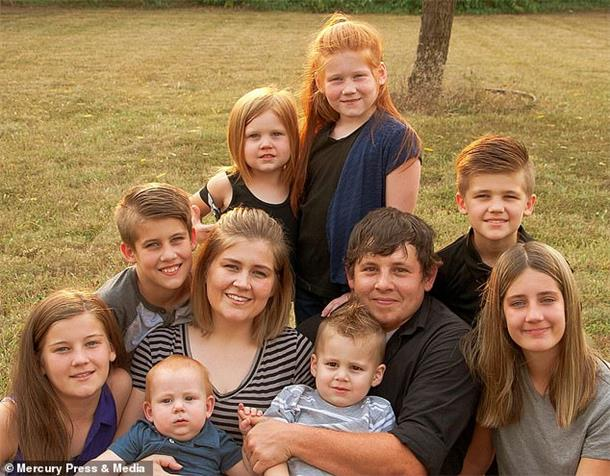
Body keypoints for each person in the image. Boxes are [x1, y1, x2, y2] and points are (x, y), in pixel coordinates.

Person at [244, 208, 478, 476]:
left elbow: (410, 463)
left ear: (428, 277)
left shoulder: (451, 345)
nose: (383, 284)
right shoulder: (321, 332)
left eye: (400, 271)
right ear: (350, 276)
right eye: (370, 269)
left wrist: (288, 438)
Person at [121, 207, 314, 443]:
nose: (242, 283)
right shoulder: (158, 348)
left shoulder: (295, 354)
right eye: (231, 267)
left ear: (275, 285)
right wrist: (148, 463)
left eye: (259, 273)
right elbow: (119, 452)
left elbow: (311, 449)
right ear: (205, 270)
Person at [292, 13, 422, 324]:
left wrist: (359, 293)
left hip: (357, 291)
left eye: (359, 77)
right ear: (320, 83)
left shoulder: (395, 139)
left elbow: (397, 228)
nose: (348, 89)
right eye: (336, 80)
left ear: (380, 74)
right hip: (308, 284)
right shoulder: (314, 135)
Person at [460, 241, 610, 476]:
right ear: (501, 314)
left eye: (547, 299)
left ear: (569, 305)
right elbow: (476, 463)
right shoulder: (498, 372)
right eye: (518, 303)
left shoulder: (604, 397)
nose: (534, 315)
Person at [239, 298, 395, 475]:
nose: (341, 377)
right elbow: (267, 452)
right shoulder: (294, 399)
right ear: (314, 365)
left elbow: (382, 465)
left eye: (355, 368)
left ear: (376, 375)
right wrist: (253, 432)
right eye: (332, 364)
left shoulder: (378, 412)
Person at [0, 290, 131, 467]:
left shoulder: (117, 388)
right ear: (39, 362)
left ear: (111, 349)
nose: (80, 360)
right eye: (62, 349)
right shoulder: (10, 418)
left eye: (92, 343)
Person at [430, 135, 536, 326]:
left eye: (509, 197)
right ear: (462, 203)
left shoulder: (548, 268)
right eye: (483, 196)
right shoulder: (441, 272)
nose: (496, 208)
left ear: (528, 204)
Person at [93, 356, 249, 476]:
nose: (178, 407)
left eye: (189, 398)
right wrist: (135, 470)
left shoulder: (217, 440)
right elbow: (96, 469)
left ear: (208, 407)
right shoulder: (141, 435)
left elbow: (247, 473)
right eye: (166, 400)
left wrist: (249, 437)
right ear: (149, 412)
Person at [191, 86, 299, 249]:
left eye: (276, 134)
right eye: (254, 136)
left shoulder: (301, 183)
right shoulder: (226, 185)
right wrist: (195, 228)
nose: (266, 144)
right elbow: (188, 210)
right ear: (236, 140)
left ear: (293, 138)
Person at [98, 182, 197, 353]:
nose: (169, 255)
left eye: (176, 239)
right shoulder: (111, 306)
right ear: (129, 252)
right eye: (153, 245)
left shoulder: (209, 286)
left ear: (192, 239)